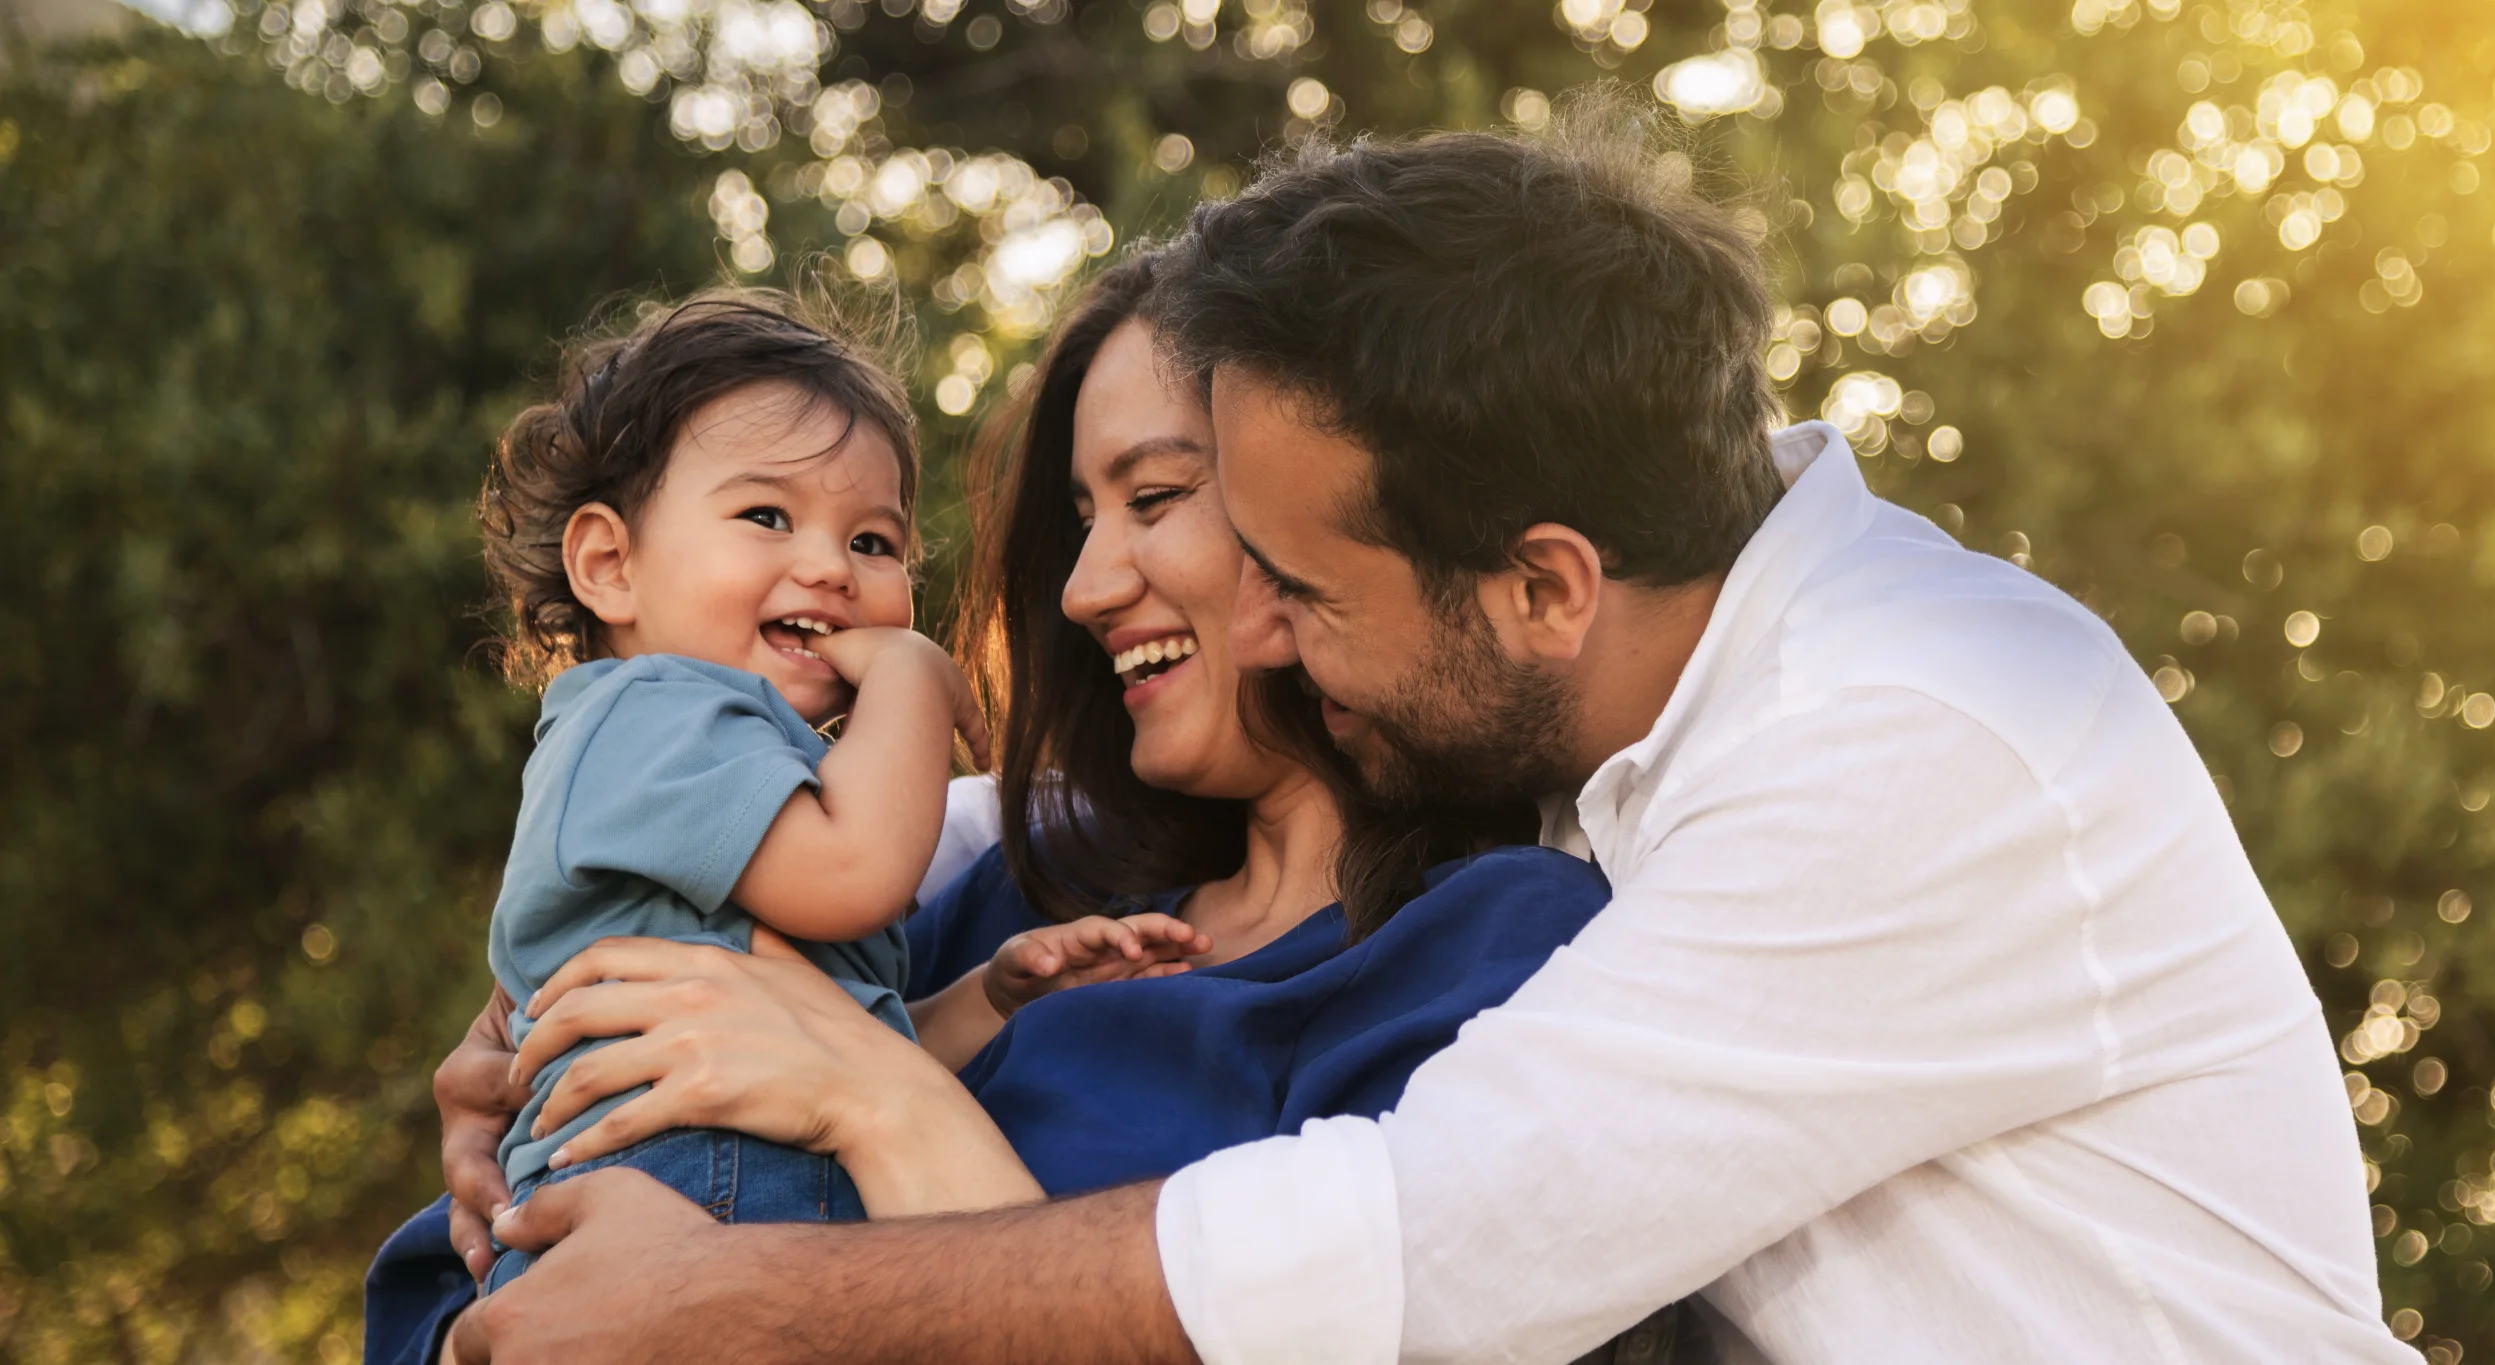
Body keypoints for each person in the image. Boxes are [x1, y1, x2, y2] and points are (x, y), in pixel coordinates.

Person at [441, 108, 2413, 1365]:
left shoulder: (1913, 736)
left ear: (1540, 585)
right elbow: (969, 829)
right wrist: (600, 985)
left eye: (1293, 581)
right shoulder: (1640, 677)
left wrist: (746, 1290)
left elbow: (1420, 1250)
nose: (1266, 635)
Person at [365, 257, 1610, 1364]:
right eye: (1079, 518)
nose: (1080, 589)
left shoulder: (1493, 950)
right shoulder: (1031, 881)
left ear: (1327, 516)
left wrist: (873, 1107)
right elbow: (454, 1301)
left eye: (1158, 497)